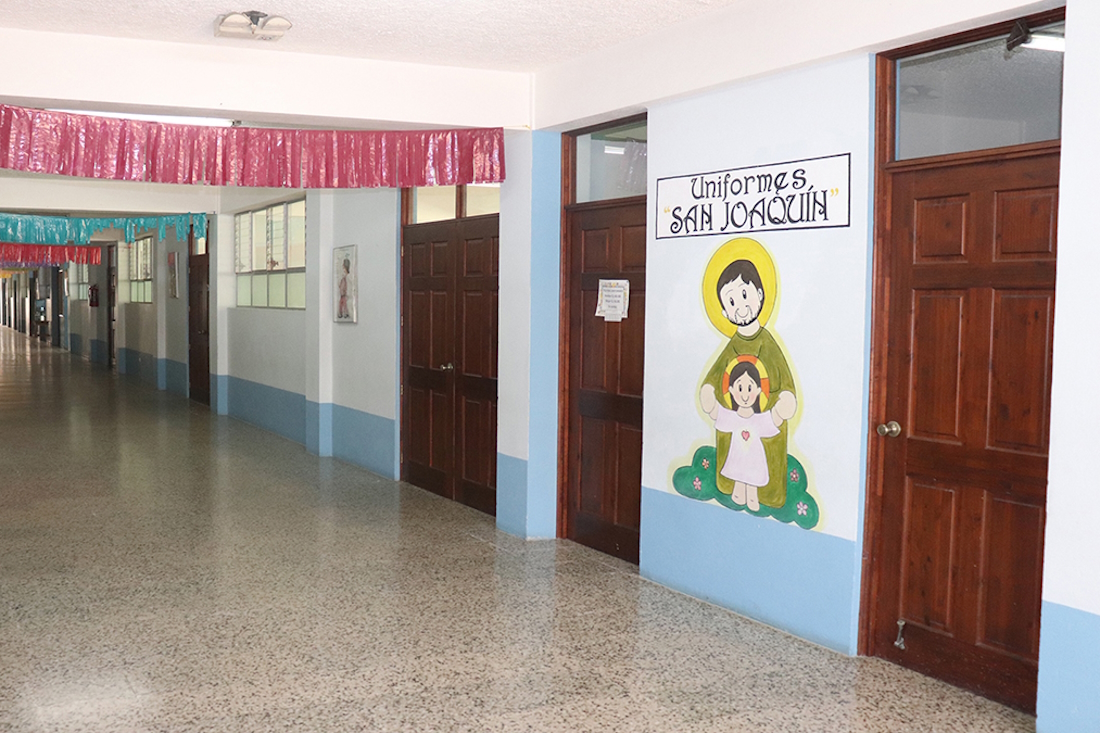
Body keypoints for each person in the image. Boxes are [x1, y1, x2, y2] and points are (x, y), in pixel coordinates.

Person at [700, 258, 796, 509]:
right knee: (736, 459)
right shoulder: (732, 345)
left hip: (764, 422)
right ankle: (735, 488)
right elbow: (714, 377)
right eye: (732, 302)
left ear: (760, 295)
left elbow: (785, 381)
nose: (741, 308)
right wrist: (709, 392)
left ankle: (763, 493)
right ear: (725, 312)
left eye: (744, 295)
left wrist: (784, 401)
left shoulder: (768, 343)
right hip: (737, 421)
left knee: (762, 466)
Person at [700, 361, 795, 511]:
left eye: (749, 388)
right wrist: (709, 400)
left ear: (758, 390)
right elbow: (717, 413)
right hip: (737, 456)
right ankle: (738, 492)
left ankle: (752, 496)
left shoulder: (758, 419)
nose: (744, 395)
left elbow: (773, 419)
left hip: (754, 459)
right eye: (740, 388)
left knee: (752, 478)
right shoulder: (733, 417)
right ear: (731, 390)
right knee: (738, 478)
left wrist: (783, 407)